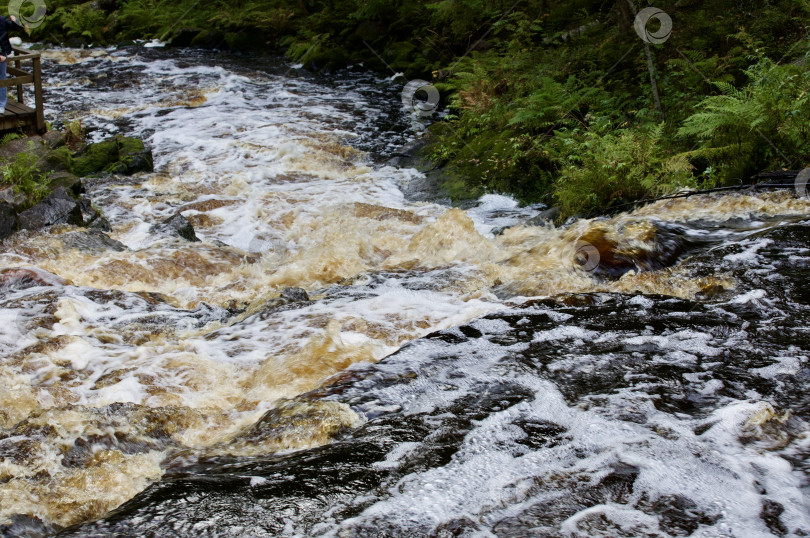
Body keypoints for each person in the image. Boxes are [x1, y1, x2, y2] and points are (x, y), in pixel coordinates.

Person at [0, 15, 22, 114]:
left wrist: (15, 21)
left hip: (2, 52)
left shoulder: (1, 19)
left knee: (2, 78)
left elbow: (15, 28)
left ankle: (1, 105)